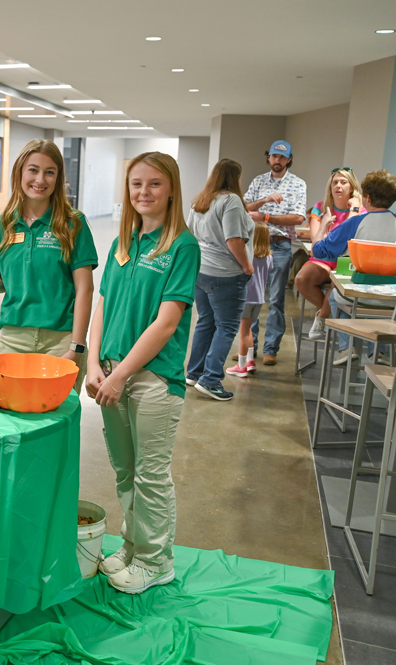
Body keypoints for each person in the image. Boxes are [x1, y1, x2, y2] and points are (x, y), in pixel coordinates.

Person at [86, 152, 200, 594]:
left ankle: (156, 561)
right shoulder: (123, 242)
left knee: (151, 475)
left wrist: (121, 376)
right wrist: (95, 363)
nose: (144, 193)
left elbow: (167, 322)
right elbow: (103, 306)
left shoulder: (182, 246)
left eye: (154, 184)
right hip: (111, 371)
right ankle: (133, 547)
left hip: (153, 379)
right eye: (136, 184)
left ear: (171, 188)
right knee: (125, 469)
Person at [0, 139, 97, 390]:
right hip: (13, 339)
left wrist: (76, 347)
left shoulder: (72, 224)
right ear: (20, 173)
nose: (40, 180)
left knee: (56, 418)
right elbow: (3, 281)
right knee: (7, 411)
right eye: (33, 170)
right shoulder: (2, 225)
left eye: (50, 172)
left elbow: (85, 289)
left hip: (60, 340)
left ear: (58, 179)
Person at [312, 170, 396, 366]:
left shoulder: (356, 223)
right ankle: (379, 351)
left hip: (358, 299)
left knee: (337, 297)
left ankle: (347, 347)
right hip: (394, 304)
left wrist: (323, 229)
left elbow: (320, 251)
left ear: (366, 198)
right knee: (378, 301)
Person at [185, 158, 255, 401]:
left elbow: (191, 235)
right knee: (226, 327)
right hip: (226, 274)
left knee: (206, 321)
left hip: (202, 272)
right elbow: (234, 239)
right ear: (235, 178)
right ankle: (211, 379)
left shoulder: (200, 202)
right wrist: (247, 266)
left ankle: (194, 373)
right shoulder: (231, 201)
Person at [243, 140, 307, 366]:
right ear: (268, 157)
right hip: (255, 243)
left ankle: (271, 349)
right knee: (251, 298)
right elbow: (244, 206)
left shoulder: (298, 184)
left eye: (282, 157)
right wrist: (264, 201)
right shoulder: (259, 181)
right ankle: (248, 347)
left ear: (289, 159)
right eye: (273, 156)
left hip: (280, 245)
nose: (277, 161)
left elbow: (298, 218)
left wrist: (266, 217)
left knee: (276, 299)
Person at [295, 168, 364, 341]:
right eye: (335, 182)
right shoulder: (320, 207)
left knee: (337, 286)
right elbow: (316, 244)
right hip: (323, 258)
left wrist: (354, 209)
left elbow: (347, 237)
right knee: (301, 279)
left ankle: (321, 317)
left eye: (343, 182)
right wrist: (324, 223)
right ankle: (333, 315)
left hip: (346, 260)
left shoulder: (360, 210)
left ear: (352, 187)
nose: (338, 186)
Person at [227, 223, 273, 377]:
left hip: (246, 298)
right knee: (249, 329)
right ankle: (250, 361)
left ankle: (240, 366)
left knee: (243, 332)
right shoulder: (269, 257)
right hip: (259, 299)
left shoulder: (247, 257)